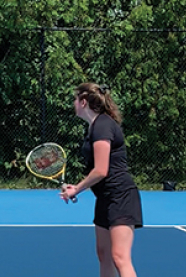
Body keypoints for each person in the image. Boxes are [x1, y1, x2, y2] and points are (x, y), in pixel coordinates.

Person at [61, 83, 143, 277]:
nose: (73, 103)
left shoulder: (103, 125)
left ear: (83, 102)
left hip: (120, 197)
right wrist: (78, 186)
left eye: (75, 99)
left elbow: (101, 170)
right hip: (105, 198)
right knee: (104, 254)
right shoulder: (94, 127)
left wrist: (76, 189)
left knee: (120, 257)